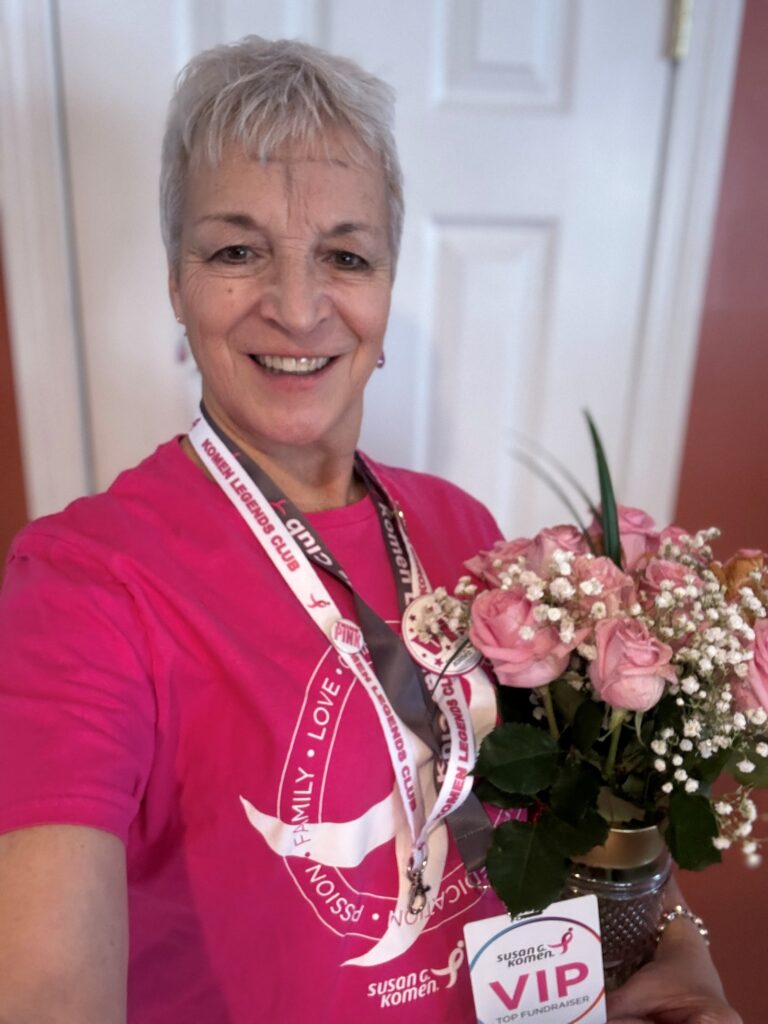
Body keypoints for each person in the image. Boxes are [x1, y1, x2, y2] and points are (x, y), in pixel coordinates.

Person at [0, 35, 742, 1024]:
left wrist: (679, 953)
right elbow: (47, 986)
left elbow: (567, 811)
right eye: (236, 250)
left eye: (344, 255)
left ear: (387, 293)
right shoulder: (82, 584)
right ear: (177, 284)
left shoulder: (460, 528)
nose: (299, 306)